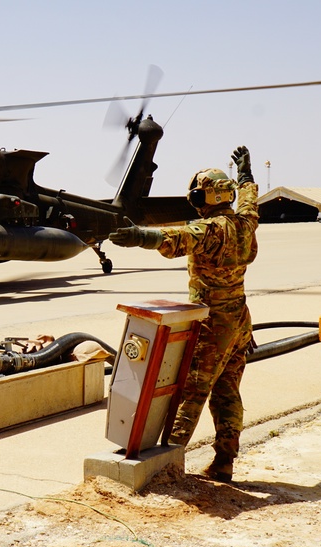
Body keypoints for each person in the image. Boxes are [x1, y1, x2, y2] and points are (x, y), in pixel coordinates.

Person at [109, 146, 259, 483]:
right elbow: (250, 199)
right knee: (228, 392)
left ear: (201, 197)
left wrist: (139, 236)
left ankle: (168, 465)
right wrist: (245, 173)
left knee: (192, 393)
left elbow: (176, 237)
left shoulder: (212, 229)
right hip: (239, 321)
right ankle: (224, 462)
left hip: (212, 326)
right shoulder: (245, 222)